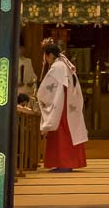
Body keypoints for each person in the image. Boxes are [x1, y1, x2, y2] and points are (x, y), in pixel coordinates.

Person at [37, 41, 87, 172]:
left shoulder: (57, 66)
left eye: (46, 57)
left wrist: (40, 96)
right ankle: (65, 162)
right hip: (67, 101)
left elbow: (47, 89)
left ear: (50, 55)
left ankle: (64, 163)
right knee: (67, 131)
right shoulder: (64, 64)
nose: (46, 60)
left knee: (62, 131)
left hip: (62, 103)